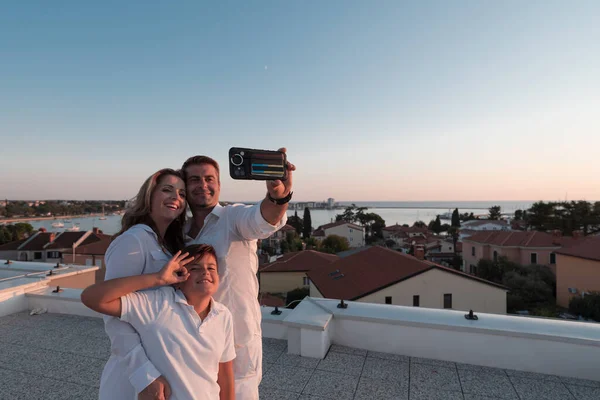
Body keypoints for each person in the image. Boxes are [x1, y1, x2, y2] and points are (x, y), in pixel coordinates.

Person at [182, 149, 295, 400]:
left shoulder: (233, 218)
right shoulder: (180, 232)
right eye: (194, 180)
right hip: (192, 343)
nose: (203, 185)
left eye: (209, 179)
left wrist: (279, 196)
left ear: (219, 185)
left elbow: (263, 219)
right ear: (185, 187)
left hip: (237, 343)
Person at [82, 244, 236, 400]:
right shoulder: (158, 304)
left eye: (211, 268)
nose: (205, 272)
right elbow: (92, 298)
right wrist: (158, 278)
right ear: (179, 277)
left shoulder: (223, 316)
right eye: (195, 268)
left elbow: (225, 374)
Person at [99, 168, 188, 400]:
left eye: (182, 194)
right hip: (134, 375)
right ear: (149, 196)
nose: (176, 198)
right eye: (167, 190)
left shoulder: (165, 245)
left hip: (164, 364)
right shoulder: (133, 240)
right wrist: (143, 375)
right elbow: (112, 314)